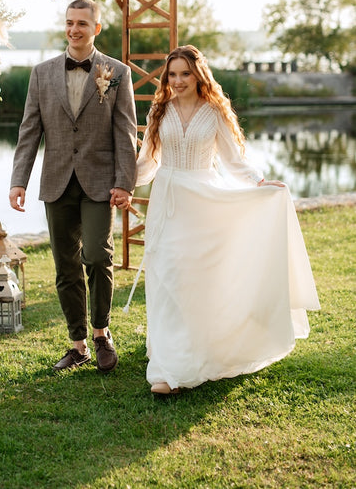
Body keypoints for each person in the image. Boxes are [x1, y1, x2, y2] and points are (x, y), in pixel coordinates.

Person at [135, 45, 320, 395]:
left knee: (195, 278)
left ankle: (190, 357)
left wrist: (259, 183)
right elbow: (149, 163)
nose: (177, 81)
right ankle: (168, 367)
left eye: (184, 74)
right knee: (168, 274)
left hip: (203, 202)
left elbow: (235, 162)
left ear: (198, 75)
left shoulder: (214, 112)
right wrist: (122, 178)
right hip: (168, 202)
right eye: (172, 74)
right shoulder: (159, 111)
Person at [9, 0, 137, 372]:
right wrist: (19, 180)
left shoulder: (117, 73)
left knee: (97, 256)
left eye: (82, 23)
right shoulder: (41, 73)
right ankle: (78, 344)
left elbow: (126, 132)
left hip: (100, 182)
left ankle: (102, 334)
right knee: (65, 266)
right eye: (69, 23)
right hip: (57, 182)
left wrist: (124, 183)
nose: (74, 29)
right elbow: (29, 130)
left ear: (97, 28)